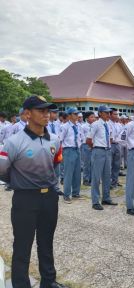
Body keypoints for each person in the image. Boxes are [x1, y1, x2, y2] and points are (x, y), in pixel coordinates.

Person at [0, 95, 67, 288]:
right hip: (25, 199)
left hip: (49, 197)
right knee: (22, 245)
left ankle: (49, 281)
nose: (47, 115)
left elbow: (54, 164)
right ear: (27, 114)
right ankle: (21, 284)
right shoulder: (13, 142)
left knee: (46, 242)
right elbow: (3, 171)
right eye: (41, 110)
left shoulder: (54, 139)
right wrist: (22, 182)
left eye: (48, 111)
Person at [86, 105, 117, 210]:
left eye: (109, 112)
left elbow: (111, 138)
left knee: (107, 176)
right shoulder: (95, 124)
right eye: (106, 112)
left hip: (107, 150)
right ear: (100, 113)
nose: (108, 114)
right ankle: (95, 201)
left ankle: (106, 198)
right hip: (98, 150)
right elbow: (88, 140)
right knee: (96, 177)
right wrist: (95, 148)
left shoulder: (108, 124)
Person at [60, 107, 82, 204]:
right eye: (75, 114)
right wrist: (60, 153)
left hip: (77, 149)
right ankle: (66, 195)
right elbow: (60, 139)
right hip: (68, 150)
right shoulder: (65, 126)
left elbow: (81, 137)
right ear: (69, 116)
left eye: (77, 114)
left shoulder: (78, 126)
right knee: (68, 173)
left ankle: (76, 193)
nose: (77, 116)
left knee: (77, 172)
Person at [47, 108, 64, 196]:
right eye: (54, 113)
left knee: (57, 169)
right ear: (49, 113)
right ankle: (48, 188)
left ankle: (56, 188)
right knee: (48, 169)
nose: (56, 114)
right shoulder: (45, 123)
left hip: (57, 148)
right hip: (48, 148)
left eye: (56, 113)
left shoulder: (57, 124)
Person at [108, 109, 123, 189]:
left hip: (117, 144)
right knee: (109, 165)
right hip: (110, 145)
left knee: (117, 165)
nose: (117, 116)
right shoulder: (107, 124)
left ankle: (115, 181)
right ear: (110, 115)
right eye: (115, 114)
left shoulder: (118, 125)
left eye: (117, 114)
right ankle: (108, 182)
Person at [81, 111, 96, 186]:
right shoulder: (83, 126)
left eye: (94, 117)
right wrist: (87, 144)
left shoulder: (95, 126)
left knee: (93, 163)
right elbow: (82, 137)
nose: (94, 118)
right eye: (91, 117)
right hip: (86, 145)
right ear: (87, 118)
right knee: (86, 163)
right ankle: (86, 179)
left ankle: (91, 179)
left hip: (93, 145)